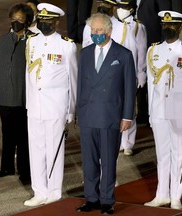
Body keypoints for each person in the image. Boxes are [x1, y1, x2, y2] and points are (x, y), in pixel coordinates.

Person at [76, 13, 136, 214]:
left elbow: (129, 87)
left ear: (109, 31)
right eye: (93, 30)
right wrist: (79, 112)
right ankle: (91, 198)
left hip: (110, 116)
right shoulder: (85, 54)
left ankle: (107, 200)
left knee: (109, 161)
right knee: (89, 160)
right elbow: (81, 85)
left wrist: (127, 116)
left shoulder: (123, 55)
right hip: (88, 116)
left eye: (99, 30)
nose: (96, 34)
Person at [144, 11, 182, 209]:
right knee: (162, 154)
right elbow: (152, 84)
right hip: (159, 110)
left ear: (179, 27)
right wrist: (151, 112)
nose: (167, 28)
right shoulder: (153, 50)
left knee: (178, 154)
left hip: (180, 111)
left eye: (172, 25)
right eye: (165, 25)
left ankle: (176, 196)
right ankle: (162, 194)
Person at [24, 3, 77, 207]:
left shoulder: (66, 45)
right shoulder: (31, 43)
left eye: (48, 21)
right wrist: (29, 104)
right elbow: (29, 76)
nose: (44, 25)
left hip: (56, 106)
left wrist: (70, 111)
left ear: (56, 22)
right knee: (36, 149)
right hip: (35, 105)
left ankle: (54, 191)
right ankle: (39, 191)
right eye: (42, 21)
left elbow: (73, 79)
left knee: (54, 148)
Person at [0, 3, 33, 185]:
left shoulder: (33, 41)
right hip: (3, 94)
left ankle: (25, 171)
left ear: (28, 21)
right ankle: (7, 167)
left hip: (22, 96)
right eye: (14, 19)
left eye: (20, 20)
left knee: (23, 135)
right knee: (7, 132)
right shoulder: (3, 40)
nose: (16, 22)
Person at [113, 0, 147, 155]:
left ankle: (128, 143)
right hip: (113, 72)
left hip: (130, 71)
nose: (121, 10)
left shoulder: (138, 27)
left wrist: (141, 72)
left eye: (124, 7)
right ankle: (116, 139)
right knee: (114, 106)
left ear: (132, 9)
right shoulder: (111, 24)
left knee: (129, 107)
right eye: (119, 7)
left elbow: (141, 51)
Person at [136, 0, 172, 125]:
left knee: (155, 79)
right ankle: (142, 112)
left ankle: (155, 112)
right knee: (139, 75)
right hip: (135, 43)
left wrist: (164, 44)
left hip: (153, 42)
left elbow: (166, 18)